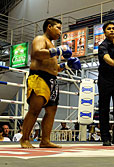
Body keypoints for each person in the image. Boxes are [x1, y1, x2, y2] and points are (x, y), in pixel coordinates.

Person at [20, 18, 81, 148]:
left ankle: (45, 141)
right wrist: (59, 50)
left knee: (51, 110)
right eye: (58, 28)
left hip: (52, 79)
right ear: (49, 27)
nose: (60, 32)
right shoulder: (40, 39)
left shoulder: (52, 46)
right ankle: (24, 139)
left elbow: (53, 68)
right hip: (39, 77)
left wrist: (66, 65)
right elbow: (37, 53)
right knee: (35, 109)